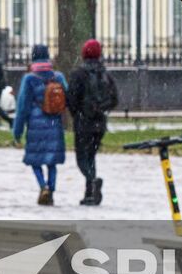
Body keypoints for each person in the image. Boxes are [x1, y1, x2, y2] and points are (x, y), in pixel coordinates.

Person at [12, 43, 66, 205]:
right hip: (54, 124)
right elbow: (66, 98)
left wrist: (17, 131)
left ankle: (43, 187)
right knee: (52, 162)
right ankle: (52, 188)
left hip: (35, 125)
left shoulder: (29, 79)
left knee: (35, 160)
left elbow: (22, 107)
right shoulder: (58, 77)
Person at [67, 38, 119, 205]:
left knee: (82, 158)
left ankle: (93, 181)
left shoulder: (78, 74)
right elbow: (114, 98)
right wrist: (101, 109)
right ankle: (90, 193)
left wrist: (78, 113)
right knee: (91, 156)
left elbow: (71, 99)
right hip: (99, 124)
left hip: (83, 123)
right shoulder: (105, 74)